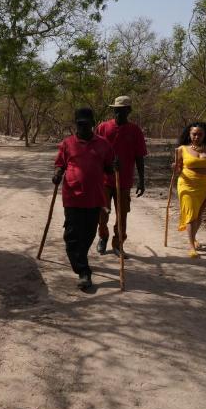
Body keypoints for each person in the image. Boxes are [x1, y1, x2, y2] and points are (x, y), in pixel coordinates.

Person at [52, 107, 115, 290]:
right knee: (71, 236)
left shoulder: (103, 144)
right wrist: (57, 175)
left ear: (93, 124)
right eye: (79, 124)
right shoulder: (67, 143)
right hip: (72, 196)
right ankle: (83, 272)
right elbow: (60, 164)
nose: (83, 128)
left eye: (86, 124)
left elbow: (109, 169)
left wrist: (115, 166)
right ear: (76, 124)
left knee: (88, 234)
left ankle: (81, 259)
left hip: (94, 198)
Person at [96, 96, 148, 258]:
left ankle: (118, 243)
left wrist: (141, 179)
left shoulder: (135, 130)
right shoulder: (103, 127)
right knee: (102, 213)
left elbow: (140, 156)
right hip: (104, 180)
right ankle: (103, 237)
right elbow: (94, 151)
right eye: (116, 110)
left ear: (129, 111)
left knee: (122, 215)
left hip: (124, 181)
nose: (118, 113)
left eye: (122, 110)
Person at [172, 122, 206, 258]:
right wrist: (175, 167)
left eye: (200, 134)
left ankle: (193, 238)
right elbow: (178, 170)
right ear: (189, 135)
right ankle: (191, 247)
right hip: (186, 183)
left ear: (205, 135)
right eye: (194, 134)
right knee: (190, 214)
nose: (197, 137)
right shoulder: (181, 149)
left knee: (199, 214)